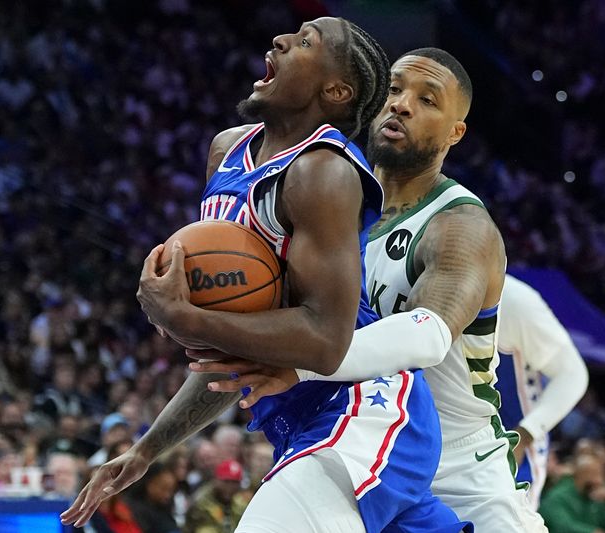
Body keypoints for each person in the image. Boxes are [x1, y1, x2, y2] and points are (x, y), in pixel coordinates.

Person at [61, 17, 467, 533]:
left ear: (336, 90)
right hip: (300, 425)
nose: (280, 40)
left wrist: (185, 318)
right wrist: (146, 450)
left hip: (364, 411)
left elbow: (325, 340)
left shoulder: (324, 171)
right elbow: (240, 355)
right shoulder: (226, 153)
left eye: (305, 43)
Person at [191, 47, 545, 531]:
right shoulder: (331, 200)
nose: (401, 104)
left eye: (427, 100)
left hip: (459, 472)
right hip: (359, 436)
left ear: (455, 132)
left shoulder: (461, 225)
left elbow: (425, 336)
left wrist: (299, 363)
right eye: (395, 89)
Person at [495, 274, 589, 507]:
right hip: (445, 443)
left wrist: (525, 433)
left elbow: (573, 374)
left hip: (511, 450)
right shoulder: (414, 280)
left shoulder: (515, 300)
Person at [538, 454, 605, 533]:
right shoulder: (557, 496)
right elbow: (561, 526)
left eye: (601, 475)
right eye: (594, 474)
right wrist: (592, 532)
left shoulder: (596, 498)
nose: (599, 480)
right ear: (580, 474)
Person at [184, 459, 249, 533]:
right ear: (216, 480)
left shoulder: (241, 503)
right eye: (226, 481)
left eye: (235, 482)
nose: (230, 486)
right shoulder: (201, 502)